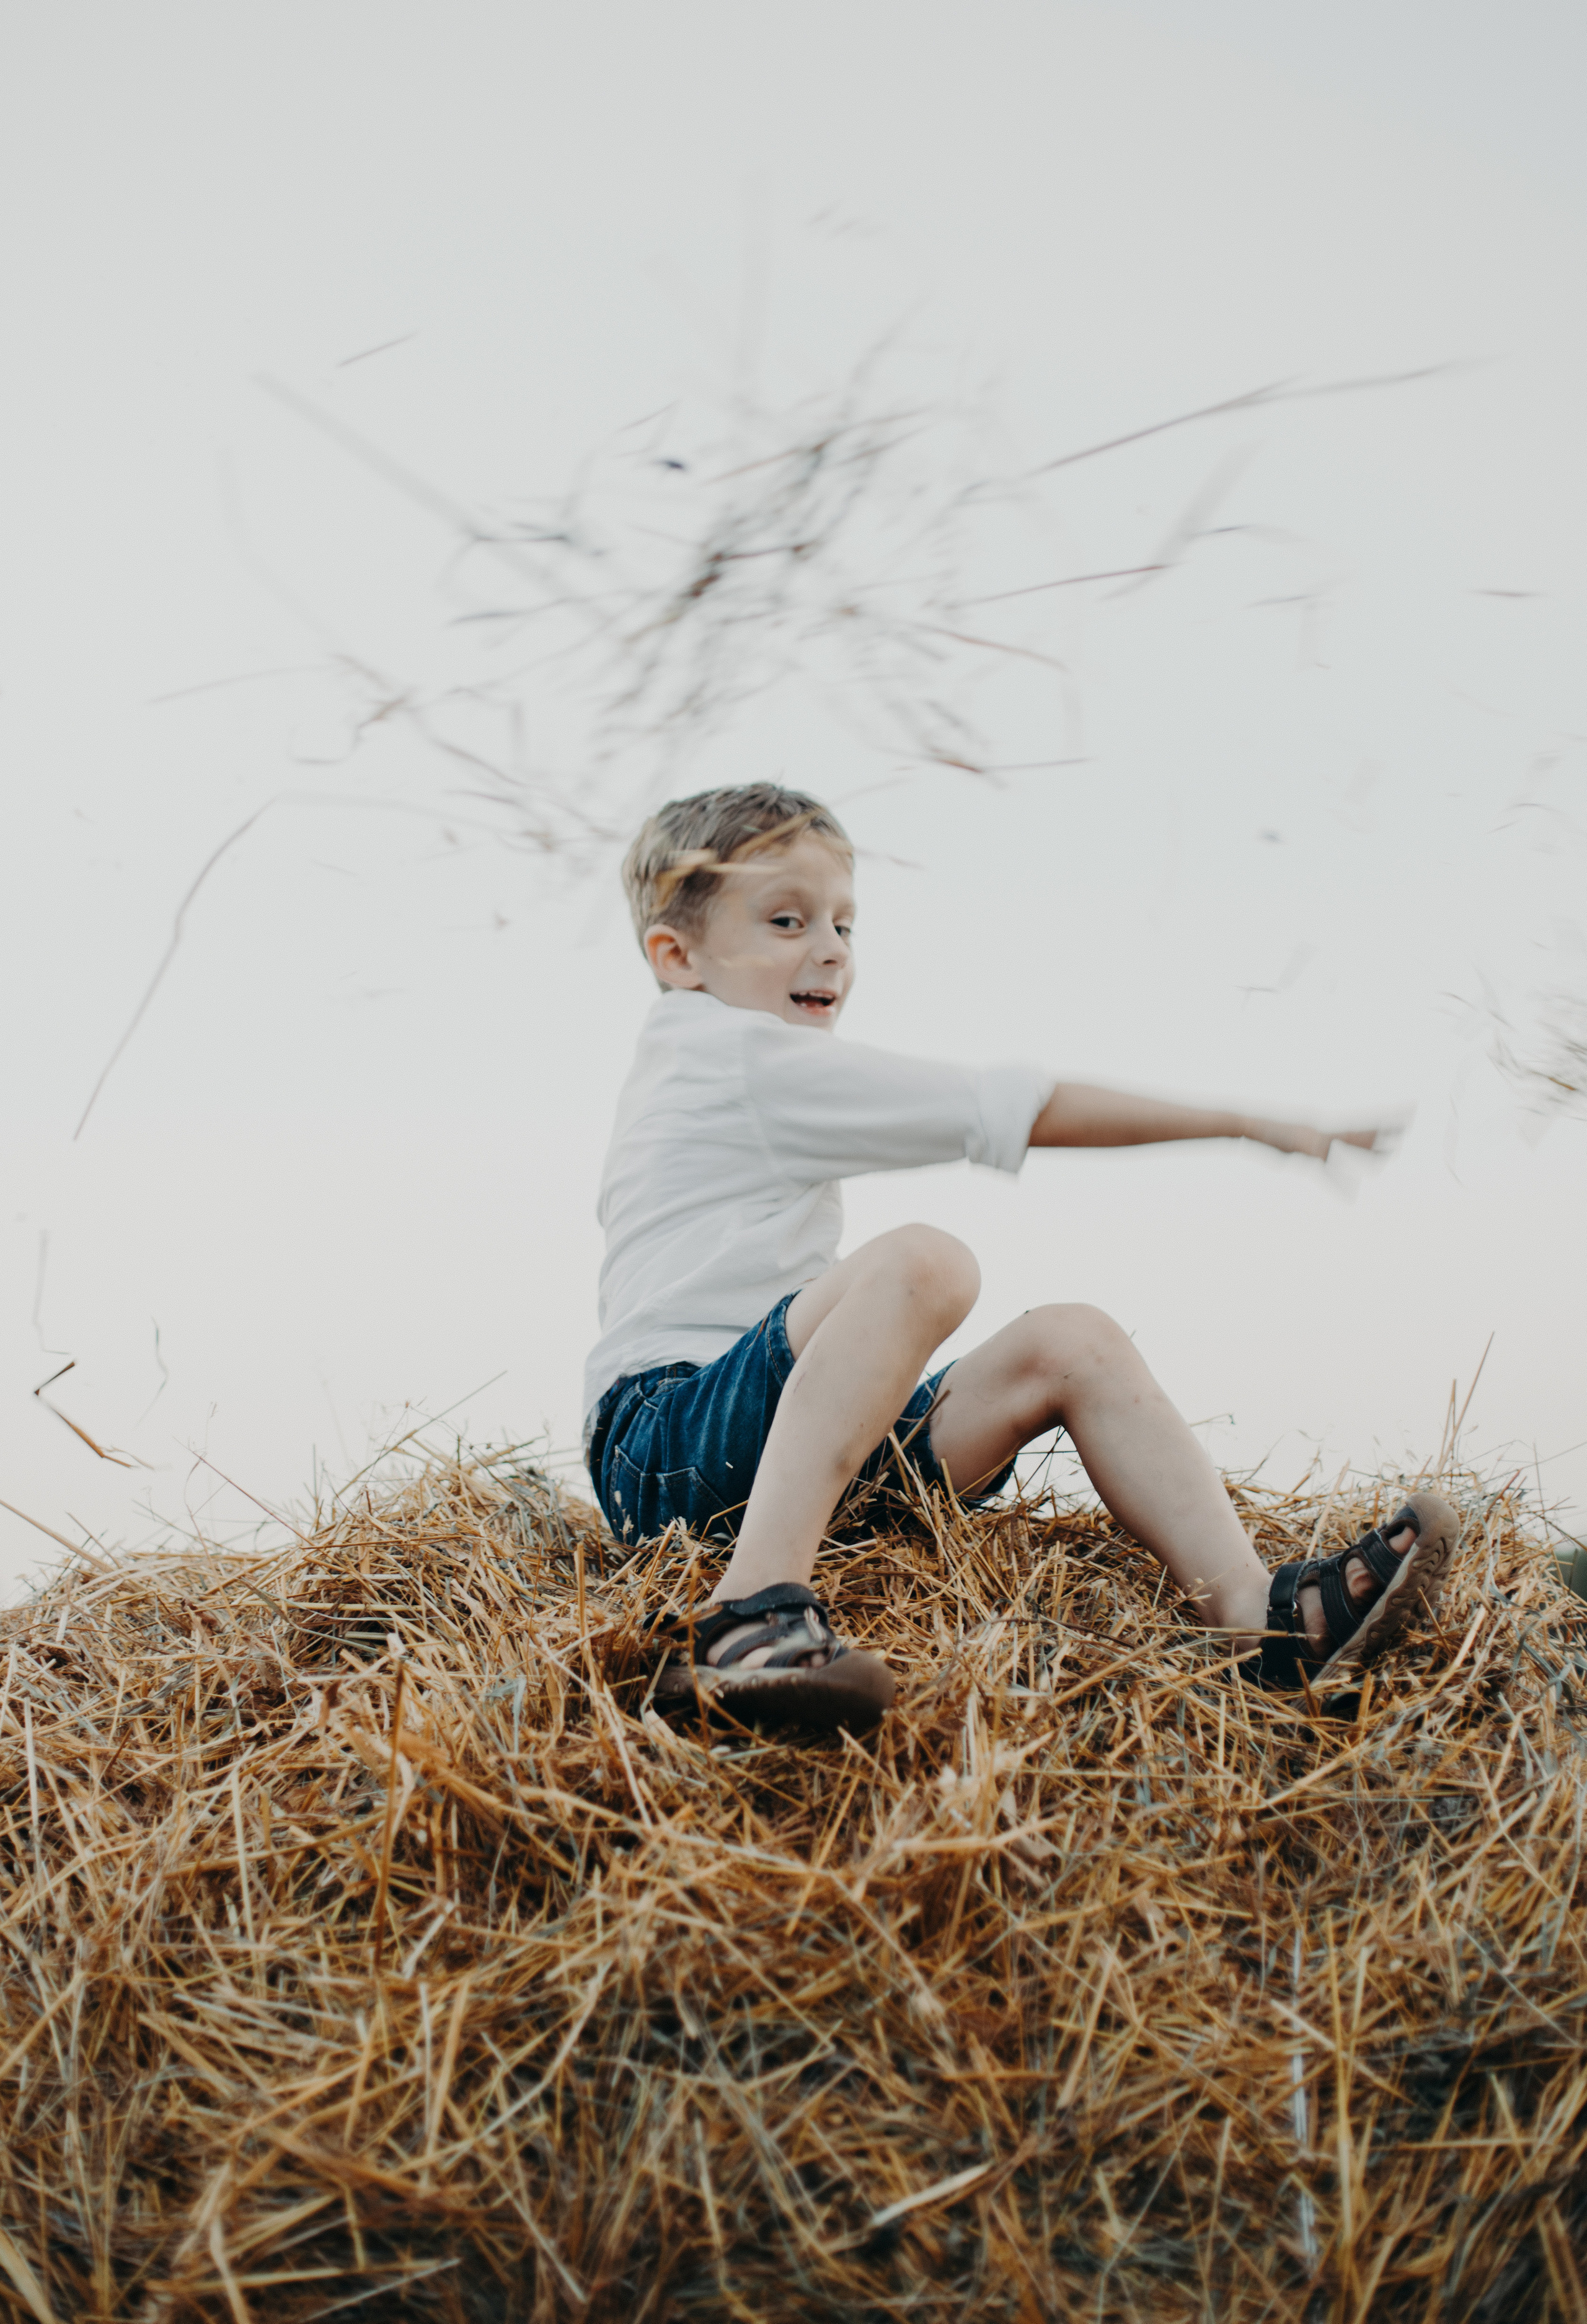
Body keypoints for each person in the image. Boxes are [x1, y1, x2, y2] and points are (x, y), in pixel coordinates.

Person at [584, 783, 1458, 1728]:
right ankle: (744, 1613)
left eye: (844, 923)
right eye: (787, 920)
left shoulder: (746, 1060)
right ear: (677, 956)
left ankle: (1260, 1619)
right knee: (927, 1261)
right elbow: (1011, 1109)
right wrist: (1246, 1123)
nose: (831, 948)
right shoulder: (727, 1054)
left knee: (1071, 1340)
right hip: (667, 1446)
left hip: (785, 1460)